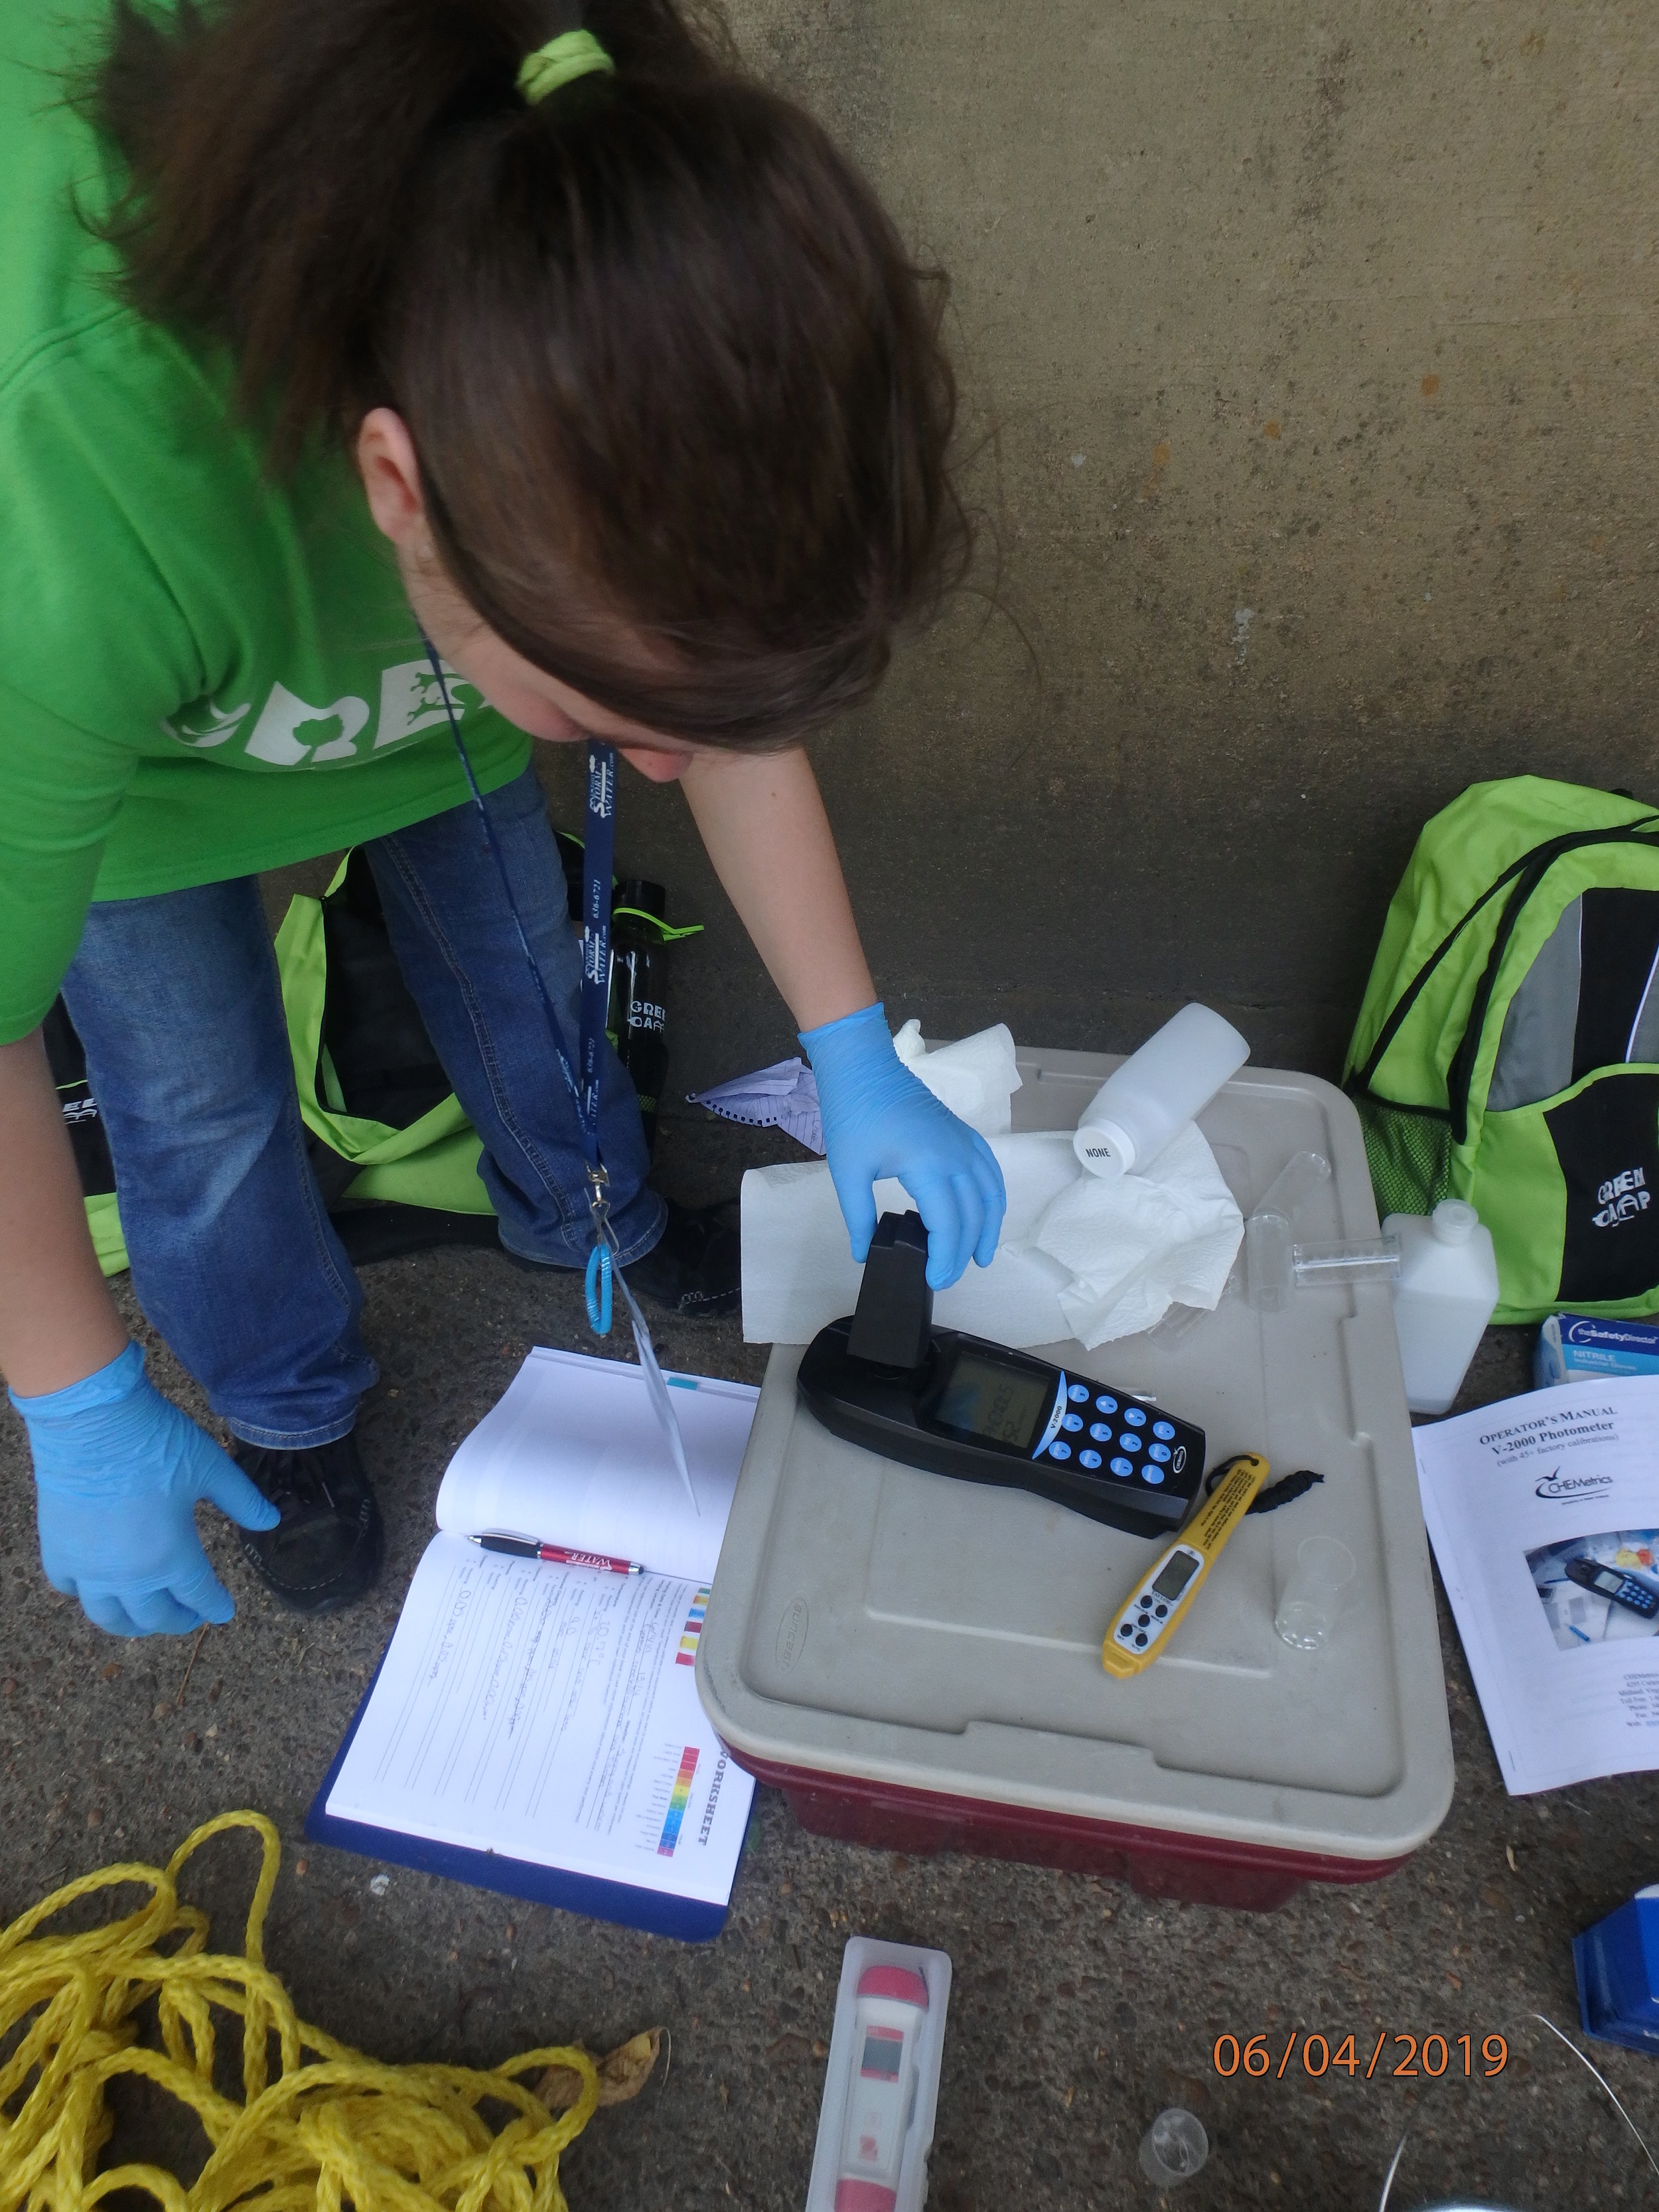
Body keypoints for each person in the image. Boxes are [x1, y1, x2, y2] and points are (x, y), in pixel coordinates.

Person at [0, 0, 1007, 1641]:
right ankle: (287, 1403)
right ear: (399, 487)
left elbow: (704, 688)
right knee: (194, 1104)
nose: (671, 773)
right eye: (617, 720)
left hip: (438, 665)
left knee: (533, 975)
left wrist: (851, 1043)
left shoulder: (600, 255)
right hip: (144, 774)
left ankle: (591, 1212)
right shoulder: (69, 464)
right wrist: (69, 1386)